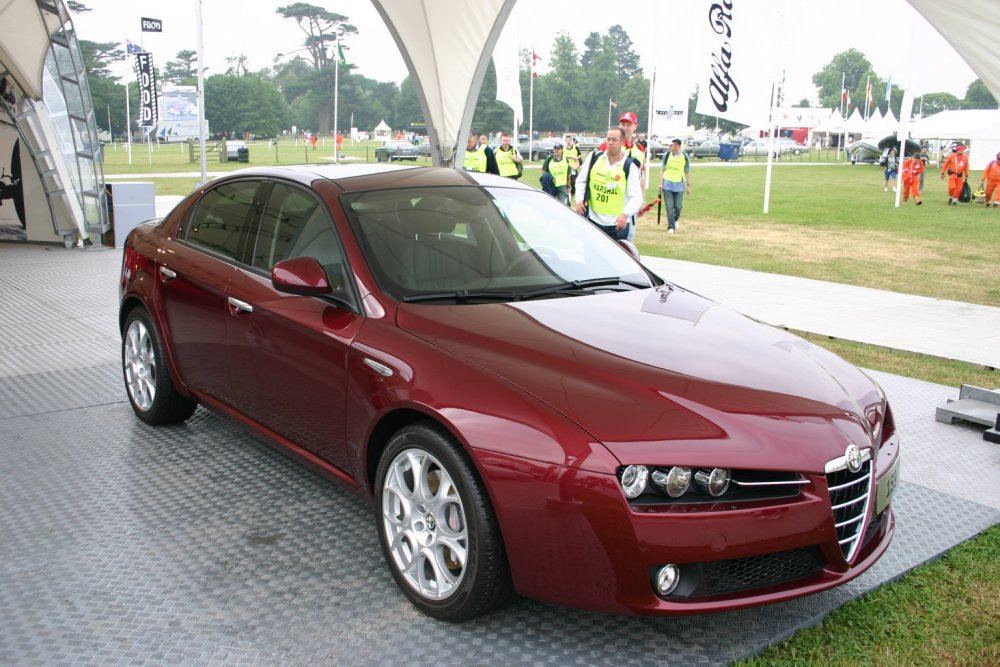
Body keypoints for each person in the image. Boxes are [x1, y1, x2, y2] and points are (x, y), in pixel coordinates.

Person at [573, 126, 641, 240]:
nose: (610, 143)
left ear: (622, 142)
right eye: (608, 139)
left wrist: (625, 215)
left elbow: (636, 197)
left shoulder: (629, 166)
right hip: (593, 222)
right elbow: (581, 181)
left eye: (614, 140)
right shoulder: (594, 158)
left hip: (617, 225)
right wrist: (579, 198)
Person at [660, 139, 692, 234]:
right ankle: (671, 227)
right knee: (669, 206)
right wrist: (660, 183)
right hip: (667, 184)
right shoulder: (666, 155)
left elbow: (687, 171)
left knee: (678, 207)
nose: (669, 147)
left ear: (677, 146)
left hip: (679, 184)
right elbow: (662, 170)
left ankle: (675, 220)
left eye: (671, 145)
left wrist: (689, 185)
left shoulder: (684, 156)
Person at [563, 135, 582, 203]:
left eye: (569, 140)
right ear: (565, 141)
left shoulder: (575, 147)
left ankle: (573, 193)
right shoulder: (563, 148)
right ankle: (567, 196)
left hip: (573, 168)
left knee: (574, 183)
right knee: (567, 183)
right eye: (567, 140)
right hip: (566, 168)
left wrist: (575, 158)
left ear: (571, 140)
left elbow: (580, 155)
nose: (568, 142)